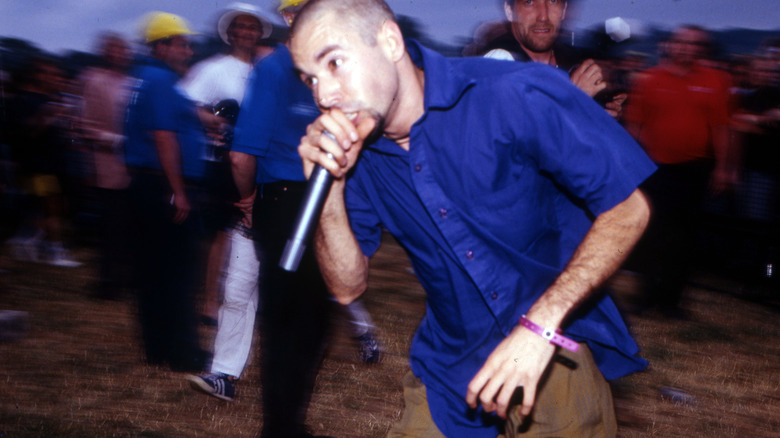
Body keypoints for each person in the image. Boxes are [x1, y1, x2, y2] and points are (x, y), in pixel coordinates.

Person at [289, 0, 654, 436]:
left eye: (334, 63)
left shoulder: (510, 93)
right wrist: (328, 188)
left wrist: (539, 329)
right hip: (450, 363)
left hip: (554, 345)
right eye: (310, 78)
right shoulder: (360, 157)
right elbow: (347, 287)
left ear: (389, 41)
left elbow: (629, 208)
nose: (324, 95)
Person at [182, 2, 272, 401]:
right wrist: (217, 122)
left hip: (283, 181)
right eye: (240, 27)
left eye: (254, 27)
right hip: (237, 174)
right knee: (237, 276)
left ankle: (361, 333)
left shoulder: (277, 72)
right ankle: (224, 373)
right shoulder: (214, 69)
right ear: (229, 33)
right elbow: (184, 103)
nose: (247, 33)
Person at [624, 25, 736, 318]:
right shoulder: (648, 79)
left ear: (701, 49)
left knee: (685, 238)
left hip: (695, 170)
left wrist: (724, 168)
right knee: (651, 234)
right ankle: (645, 298)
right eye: (681, 42)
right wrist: (629, 164)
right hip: (655, 168)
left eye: (694, 44)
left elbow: (722, 127)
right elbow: (634, 126)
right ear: (670, 45)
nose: (686, 48)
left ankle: (671, 302)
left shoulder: (716, 80)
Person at [124, 12, 210, 372]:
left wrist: (213, 121)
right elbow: (163, 137)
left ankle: (158, 348)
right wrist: (178, 192)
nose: (188, 50)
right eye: (182, 43)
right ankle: (183, 354)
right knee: (178, 273)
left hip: (146, 184)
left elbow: (177, 120)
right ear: (161, 47)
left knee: (154, 272)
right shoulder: (160, 81)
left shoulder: (146, 77)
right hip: (164, 185)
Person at [475, 0, 626, 117]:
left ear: (564, 10)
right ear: (510, 11)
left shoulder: (569, 61)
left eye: (553, 1)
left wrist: (602, 116)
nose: (543, 16)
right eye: (529, 2)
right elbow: (512, 138)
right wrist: (576, 100)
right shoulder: (499, 63)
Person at [78, 32, 133, 299]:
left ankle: (127, 279)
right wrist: (118, 140)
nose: (120, 54)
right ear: (104, 52)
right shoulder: (94, 80)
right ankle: (108, 284)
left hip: (136, 167)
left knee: (131, 227)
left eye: (124, 49)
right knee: (112, 229)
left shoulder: (133, 81)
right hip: (110, 166)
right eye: (114, 49)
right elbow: (85, 126)